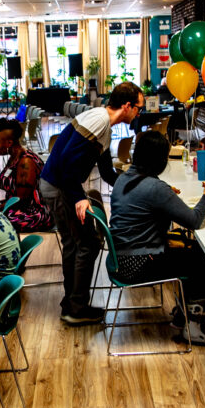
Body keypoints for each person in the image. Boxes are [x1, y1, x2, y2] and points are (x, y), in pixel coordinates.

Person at [39, 82, 144, 324]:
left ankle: (71, 303)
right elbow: (66, 164)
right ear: (127, 106)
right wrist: (78, 198)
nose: (139, 113)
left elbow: (106, 172)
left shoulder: (104, 124)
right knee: (87, 243)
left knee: (76, 244)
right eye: (138, 108)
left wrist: (133, 186)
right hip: (59, 186)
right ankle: (76, 308)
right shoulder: (99, 122)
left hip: (58, 184)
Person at [110, 130, 205, 345]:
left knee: (190, 249)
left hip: (121, 257)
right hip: (138, 263)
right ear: (159, 160)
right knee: (203, 259)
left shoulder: (124, 178)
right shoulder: (155, 188)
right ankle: (196, 326)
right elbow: (194, 220)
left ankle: (183, 315)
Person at [0, 117, 53, 232]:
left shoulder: (26, 162)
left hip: (34, 213)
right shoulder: (14, 157)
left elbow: (21, 199)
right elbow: (7, 184)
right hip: (19, 206)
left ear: (9, 143)